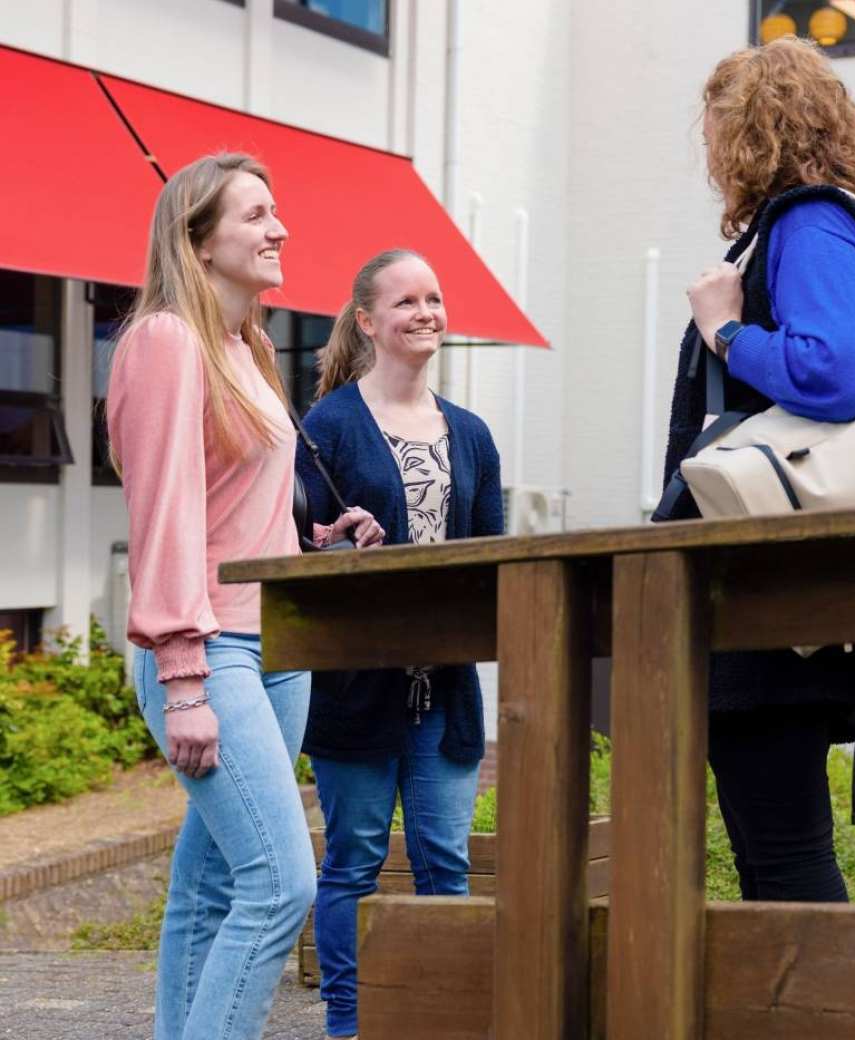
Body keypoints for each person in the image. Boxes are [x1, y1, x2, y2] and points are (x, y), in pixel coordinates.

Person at [107, 152, 384, 1040]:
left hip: (276, 648)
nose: (281, 229)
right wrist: (182, 676)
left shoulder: (245, 345)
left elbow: (232, 507)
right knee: (280, 883)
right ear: (199, 240)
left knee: (214, 883)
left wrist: (312, 538)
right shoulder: (165, 342)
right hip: (209, 649)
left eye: (278, 211)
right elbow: (164, 516)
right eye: (257, 214)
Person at [665, 37, 855, 901]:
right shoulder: (823, 220)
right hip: (776, 602)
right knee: (774, 858)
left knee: (787, 860)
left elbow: (834, 373)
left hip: (776, 612)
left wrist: (726, 331)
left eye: (714, 135)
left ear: (747, 133)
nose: (709, 157)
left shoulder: (811, 221)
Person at [296, 249, 503, 1040]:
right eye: (406, 301)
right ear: (368, 321)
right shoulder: (328, 428)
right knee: (352, 857)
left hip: (445, 691)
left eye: (435, 298)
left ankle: (436, 1017)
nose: (426, 312)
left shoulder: (473, 436)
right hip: (355, 688)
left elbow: (492, 558)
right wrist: (334, 548)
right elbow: (300, 549)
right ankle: (349, 1023)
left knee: (445, 864)